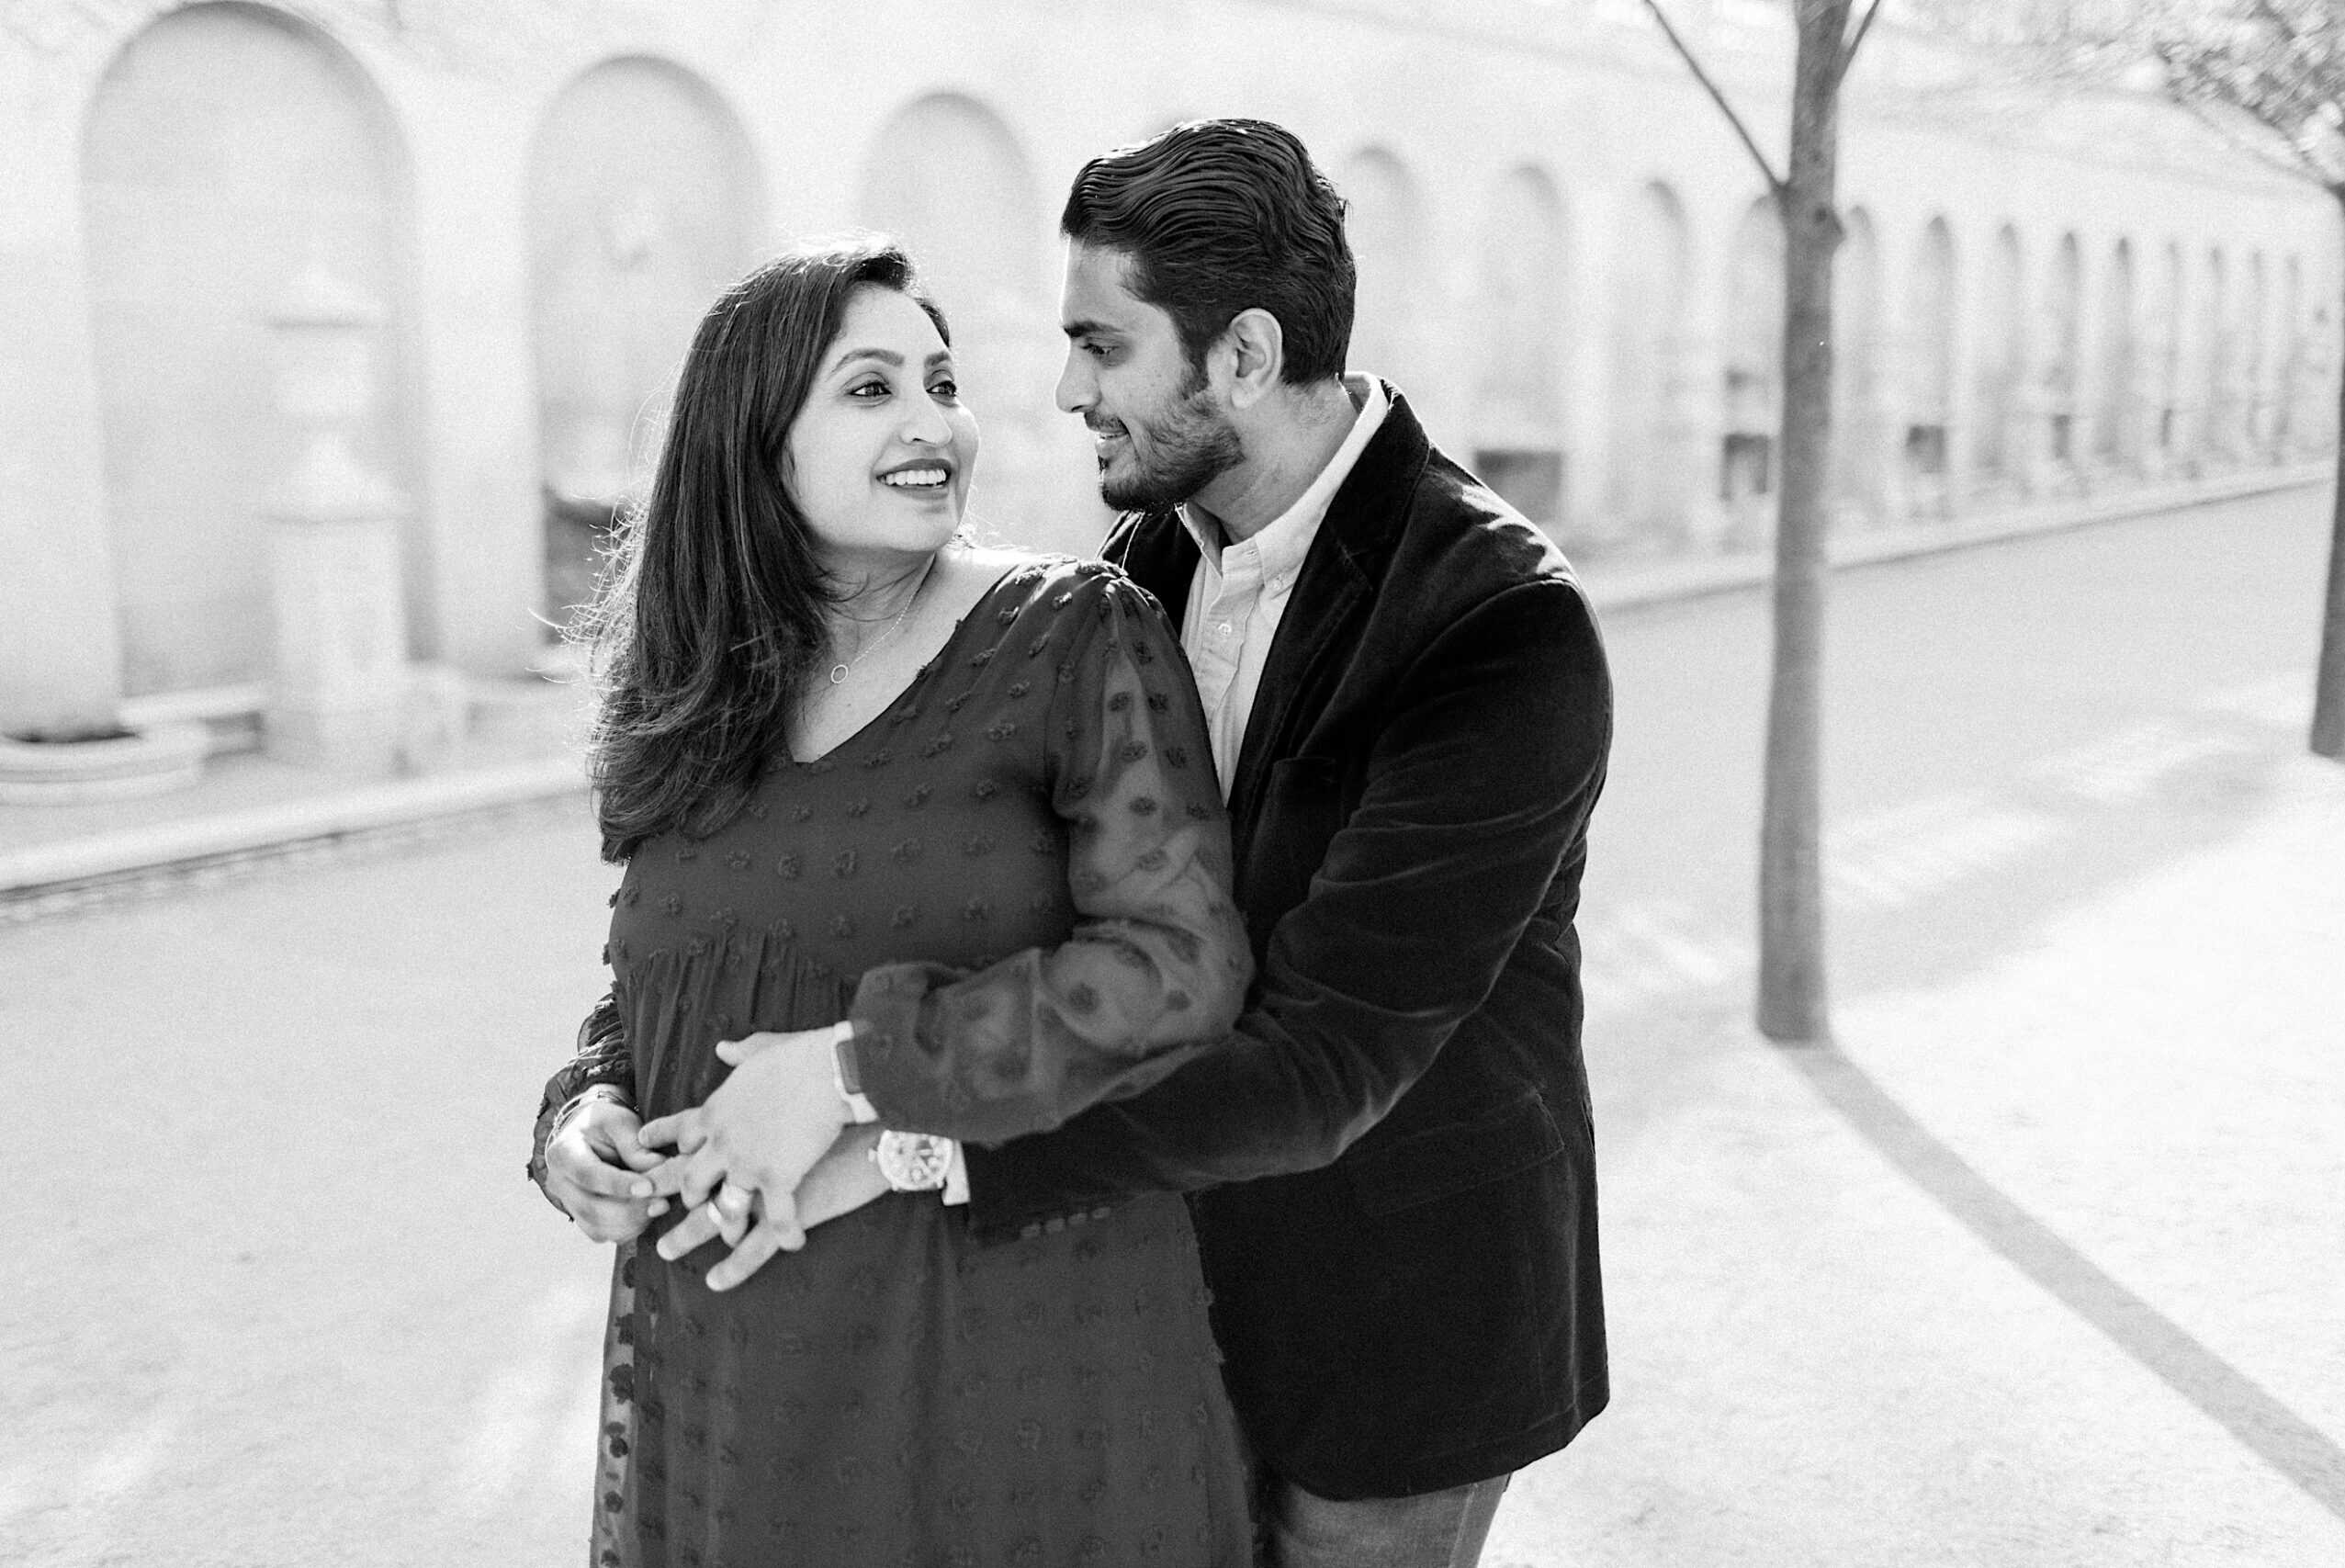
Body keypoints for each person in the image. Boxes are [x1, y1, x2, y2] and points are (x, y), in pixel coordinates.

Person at [633, 119, 1617, 1568]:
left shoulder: (1496, 624)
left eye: (1103, 347)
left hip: (1395, 1333)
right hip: (1165, 1299)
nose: (1065, 391)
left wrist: (890, 1136)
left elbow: (1325, 1067)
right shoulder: (1144, 565)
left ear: (1244, 355)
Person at [527, 234, 1262, 1566]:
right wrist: (584, 1116)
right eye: (870, 391)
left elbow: (1180, 966)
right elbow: (657, 983)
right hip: (734, 1367)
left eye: (941, 382)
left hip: (1010, 1350)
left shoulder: (1069, 635)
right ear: (754, 446)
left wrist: (860, 1067)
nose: (937, 425)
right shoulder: (691, 691)